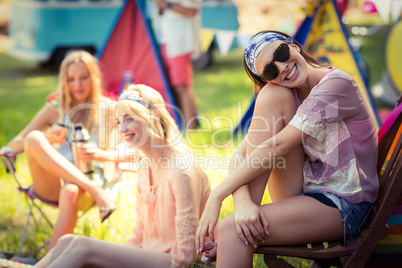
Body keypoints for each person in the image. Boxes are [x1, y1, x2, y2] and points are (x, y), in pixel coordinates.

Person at [195, 30, 380, 267]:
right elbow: (243, 154)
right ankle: (245, 217)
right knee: (271, 95)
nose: (281, 68)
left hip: (347, 203)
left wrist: (217, 195)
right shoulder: (286, 94)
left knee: (230, 231)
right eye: (270, 71)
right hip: (310, 191)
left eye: (281, 54)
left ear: (293, 45)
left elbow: (277, 146)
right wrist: (242, 204)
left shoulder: (336, 85)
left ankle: (239, 227)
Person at [33, 84, 212, 268]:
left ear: (155, 116)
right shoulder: (145, 165)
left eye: (129, 119)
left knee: (82, 246)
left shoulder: (181, 172)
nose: (122, 129)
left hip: (175, 262)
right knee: (66, 242)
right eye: (119, 122)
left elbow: (186, 256)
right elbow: (139, 234)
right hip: (150, 255)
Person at [6, 50, 119, 250]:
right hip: (53, 182)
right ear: (64, 81)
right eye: (71, 79)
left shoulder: (108, 109)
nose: (77, 85)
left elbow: (133, 147)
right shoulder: (55, 108)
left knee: (71, 191)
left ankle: (51, 261)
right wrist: (47, 138)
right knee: (34, 138)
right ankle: (97, 192)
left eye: (83, 77)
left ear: (94, 77)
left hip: (88, 183)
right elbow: (12, 145)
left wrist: (102, 155)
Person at [155, 0, 201, 129]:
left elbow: (192, 10)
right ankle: (182, 124)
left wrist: (167, 5)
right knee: (173, 87)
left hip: (180, 42)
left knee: (182, 85)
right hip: (165, 41)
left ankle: (190, 128)